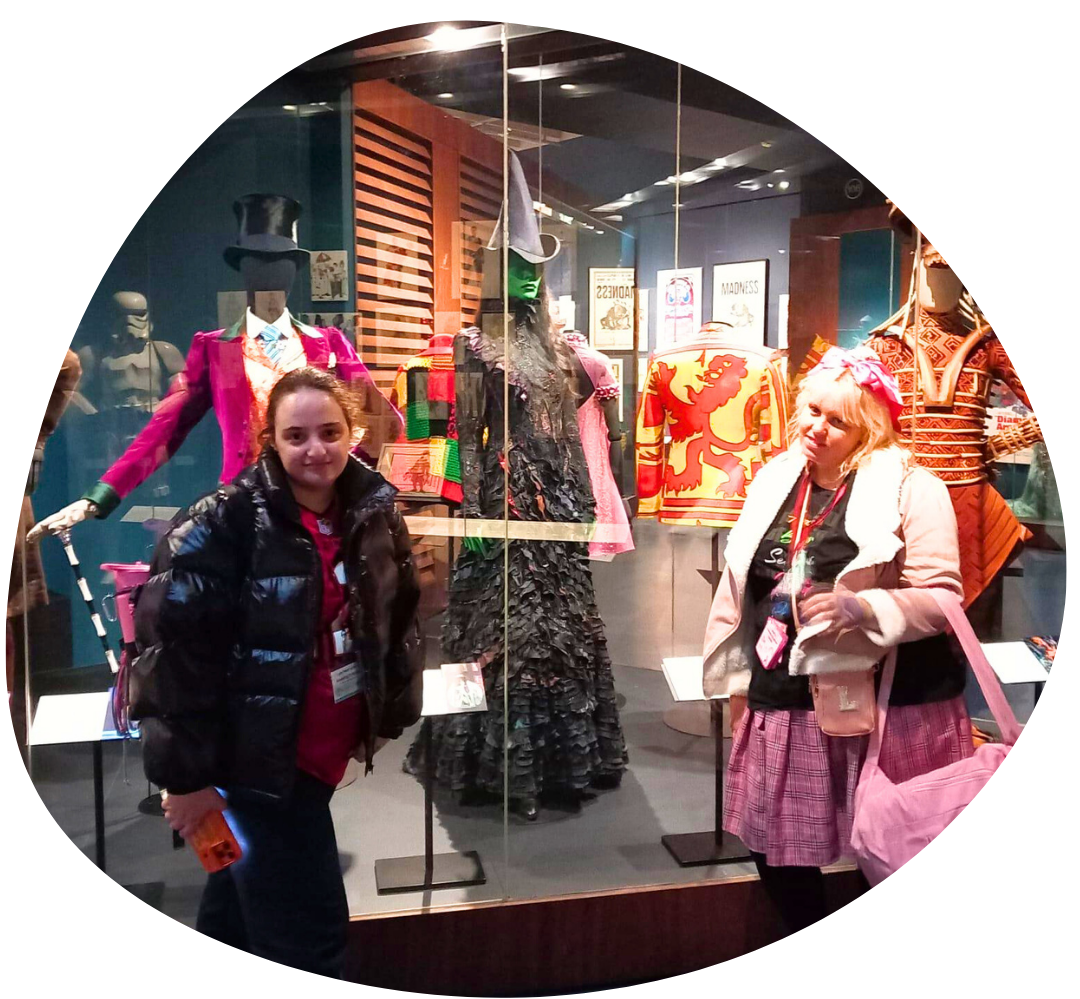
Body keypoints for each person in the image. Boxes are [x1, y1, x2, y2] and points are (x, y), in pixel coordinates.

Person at [129, 366, 422, 978]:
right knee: (307, 940)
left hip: (317, 754)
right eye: (296, 436)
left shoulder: (370, 510)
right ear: (271, 440)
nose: (315, 449)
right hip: (262, 765)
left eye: (329, 432)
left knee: (236, 917)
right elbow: (170, 660)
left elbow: (394, 616)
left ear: (352, 432)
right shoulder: (220, 524)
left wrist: (391, 702)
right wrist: (184, 780)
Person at [702, 347, 974, 934]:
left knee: (896, 842)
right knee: (778, 851)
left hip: (885, 705)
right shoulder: (776, 479)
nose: (815, 428)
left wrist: (865, 607)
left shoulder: (913, 487)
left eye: (837, 421)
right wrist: (736, 689)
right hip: (785, 695)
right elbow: (745, 587)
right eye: (812, 411)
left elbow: (943, 595)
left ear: (869, 430)